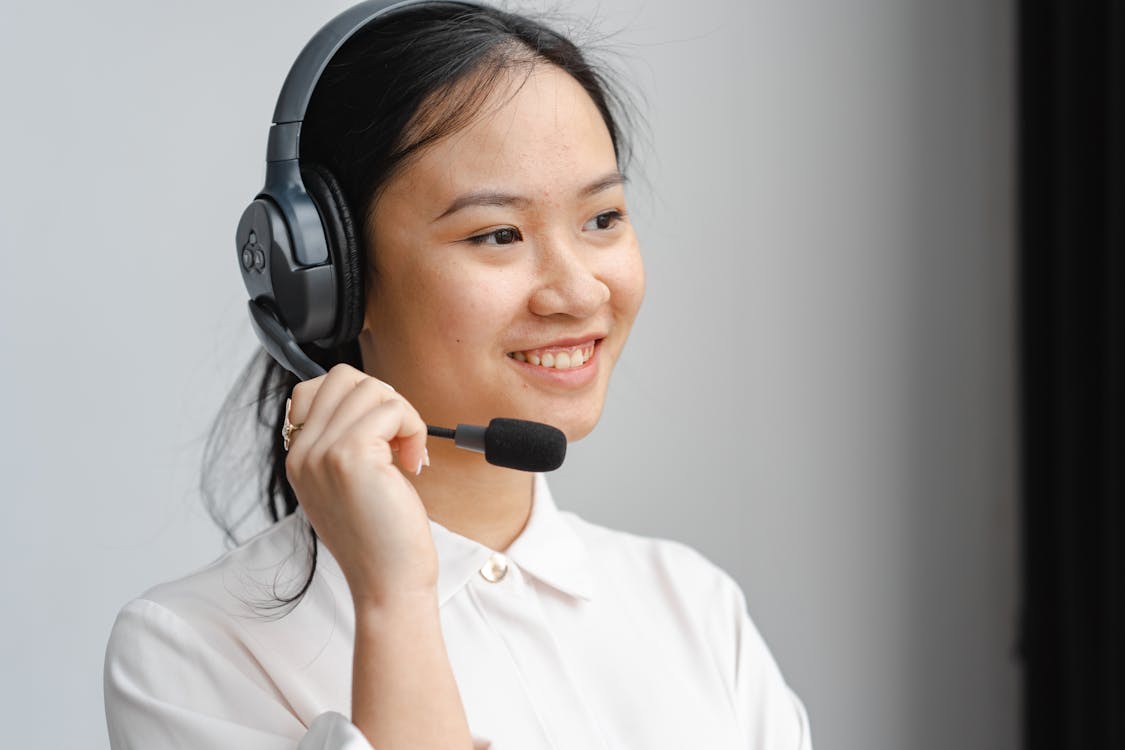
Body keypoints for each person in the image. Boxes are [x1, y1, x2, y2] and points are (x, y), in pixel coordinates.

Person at [103, 2, 813, 748]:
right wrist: (393, 602)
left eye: (601, 218)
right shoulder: (191, 651)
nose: (577, 292)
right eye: (497, 234)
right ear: (331, 280)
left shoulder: (693, 608)